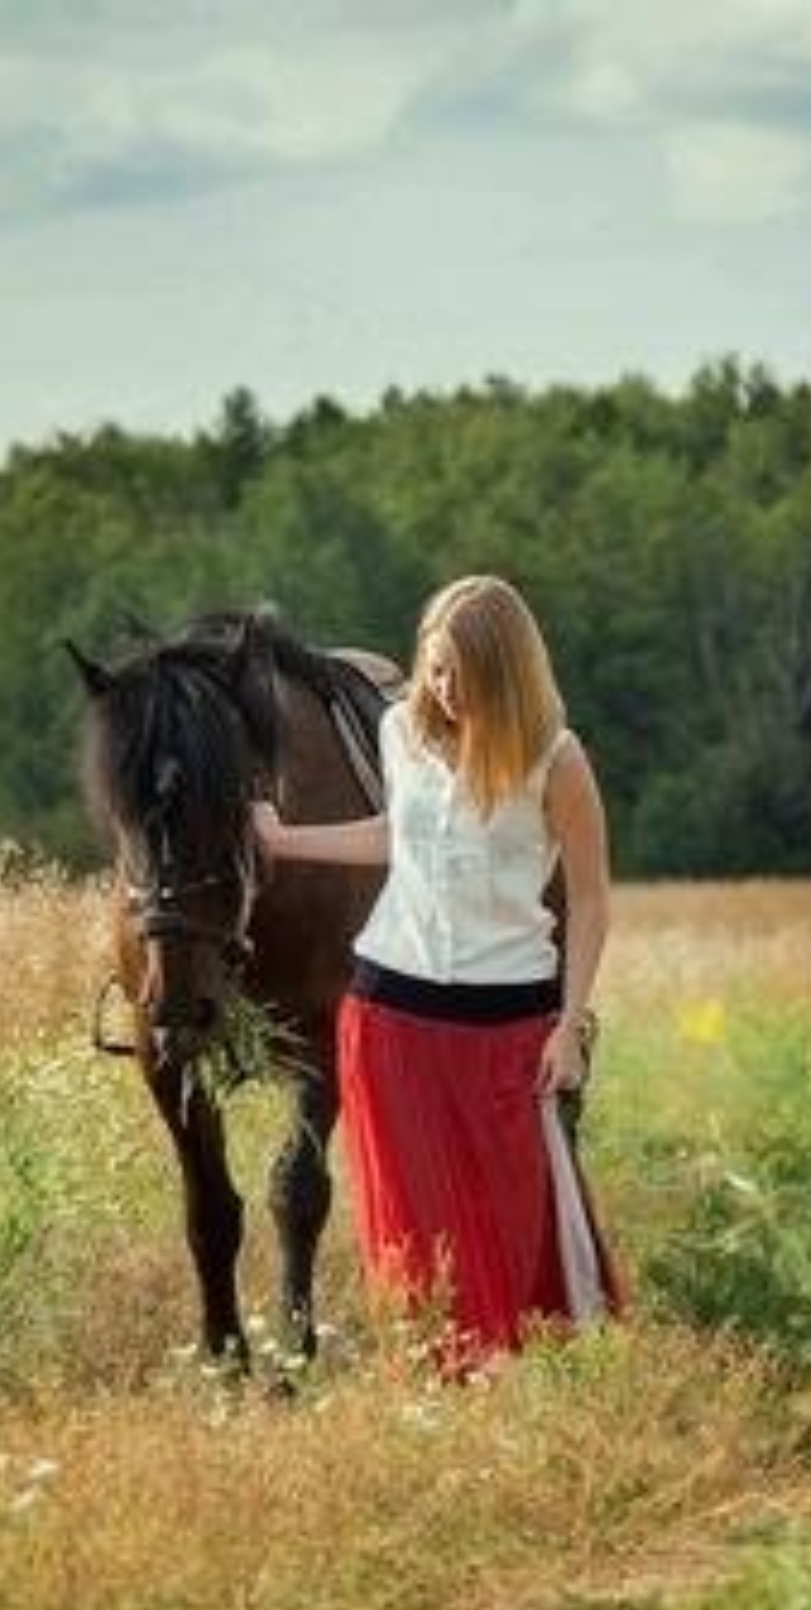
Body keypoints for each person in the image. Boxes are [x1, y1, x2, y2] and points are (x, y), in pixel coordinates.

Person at [252, 574, 621, 1367]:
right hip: (391, 1018)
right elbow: (401, 838)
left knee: (513, 1221)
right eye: (436, 667)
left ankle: (518, 1378)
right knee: (416, 1234)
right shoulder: (398, 733)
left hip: (509, 1023)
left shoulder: (557, 760)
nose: (447, 690)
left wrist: (570, 1024)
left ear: (510, 672)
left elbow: (590, 901)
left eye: (466, 674)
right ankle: (441, 1388)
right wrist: (287, 841)